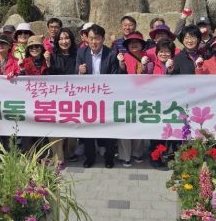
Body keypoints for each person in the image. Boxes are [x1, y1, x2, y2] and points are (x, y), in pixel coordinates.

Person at [76, 24, 119, 168]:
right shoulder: (82, 52)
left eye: (97, 38)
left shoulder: (111, 54)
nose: (94, 42)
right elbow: (75, 75)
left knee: (109, 128)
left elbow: (115, 77)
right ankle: (90, 157)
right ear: (87, 39)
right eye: (91, 38)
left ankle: (109, 158)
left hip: (106, 98)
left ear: (103, 39)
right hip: (88, 98)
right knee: (89, 128)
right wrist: (80, 71)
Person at [116, 32, 148, 167]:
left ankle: (137, 153)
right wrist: (121, 64)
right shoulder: (123, 57)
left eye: (137, 42)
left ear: (142, 44)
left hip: (143, 97)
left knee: (140, 125)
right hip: (126, 97)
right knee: (125, 126)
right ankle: (125, 155)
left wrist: (146, 66)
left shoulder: (148, 57)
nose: (134, 44)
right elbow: (117, 76)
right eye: (131, 43)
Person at [49, 27, 79, 165]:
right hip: (56, 98)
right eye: (60, 39)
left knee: (72, 127)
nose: (64, 41)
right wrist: (47, 63)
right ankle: (58, 157)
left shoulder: (78, 55)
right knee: (57, 128)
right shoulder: (51, 56)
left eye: (66, 38)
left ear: (71, 40)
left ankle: (70, 152)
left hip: (75, 98)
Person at [148, 39, 176, 169]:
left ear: (172, 53)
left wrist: (170, 70)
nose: (163, 54)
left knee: (169, 133)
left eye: (167, 51)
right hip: (154, 105)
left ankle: (168, 157)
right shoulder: (150, 66)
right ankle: (155, 158)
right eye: (161, 51)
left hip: (171, 105)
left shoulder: (176, 65)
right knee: (156, 134)